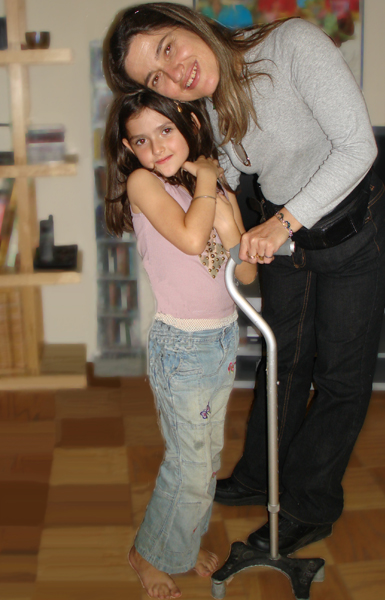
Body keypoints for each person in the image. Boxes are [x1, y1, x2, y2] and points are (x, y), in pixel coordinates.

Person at [104, 3, 385, 557]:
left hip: (353, 232)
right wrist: (211, 192)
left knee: (339, 377)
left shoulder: (292, 46)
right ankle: (259, 477)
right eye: (156, 79)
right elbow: (234, 169)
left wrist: (280, 220)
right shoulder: (208, 104)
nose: (175, 76)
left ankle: (309, 505)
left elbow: (359, 146)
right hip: (288, 238)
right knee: (281, 364)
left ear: (186, 22)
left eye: (167, 48)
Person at [104, 88, 256, 598]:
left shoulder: (206, 192)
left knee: (207, 460)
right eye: (141, 140)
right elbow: (192, 241)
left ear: (189, 120)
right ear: (130, 150)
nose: (156, 146)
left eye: (165, 130)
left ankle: (181, 547)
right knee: (187, 464)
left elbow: (247, 272)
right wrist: (210, 184)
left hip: (221, 340)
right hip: (183, 348)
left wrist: (228, 213)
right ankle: (147, 553)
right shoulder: (144, 184)